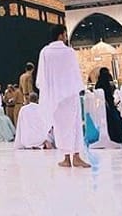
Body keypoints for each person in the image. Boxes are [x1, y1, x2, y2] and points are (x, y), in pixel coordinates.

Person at [36, 25, 90, 168]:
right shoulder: (69, 52)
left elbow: (42, 78)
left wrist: (49, 93)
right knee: (74, 126)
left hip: (55, 97)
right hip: (70, 95)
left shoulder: (45, 52)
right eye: (65, 35)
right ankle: (76, 157)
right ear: (60, 35)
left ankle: (66, 158)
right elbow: (75, 73)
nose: (66, 38)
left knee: (60, 128)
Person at [93, 67, 122, 144]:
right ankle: (117, 138)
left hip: (104, 106)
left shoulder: (99, 83)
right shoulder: (108, 83)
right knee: (114, 121)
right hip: (110, 105)